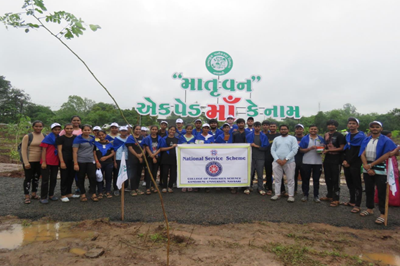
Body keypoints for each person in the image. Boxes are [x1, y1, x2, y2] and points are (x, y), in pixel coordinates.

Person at [359, 121, 397, 225]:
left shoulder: (386, 140)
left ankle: (382, 213)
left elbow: (388, 154)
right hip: (367, 167)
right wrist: (367, 167)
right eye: (372, 127)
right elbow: (362, 153)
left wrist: (371, 166)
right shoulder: (366, 139)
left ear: (381, 128)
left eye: (377, 127)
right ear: (369, 129)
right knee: (369, 189)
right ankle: (369, 208)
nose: (374, 128)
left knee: (381, 191)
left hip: (380, 168)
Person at [342, 118, 365, 213]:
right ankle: (352, 201)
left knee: (357, 184)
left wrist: (349, 162)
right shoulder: (347, 136)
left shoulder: (361, 137)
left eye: (353, 123)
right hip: (346, 162)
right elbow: (345, 149)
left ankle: (357, 204)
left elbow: (358, 152)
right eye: (350, 123)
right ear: (347, 125)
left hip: (355, 162)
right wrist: (343, 160)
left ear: (357, 125)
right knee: (349, 182)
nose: (351, 125)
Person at [270, 125, 299, 202]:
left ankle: (291, 195)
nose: (283, 130)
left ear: (288, 130)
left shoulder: (292, 138)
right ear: (280, 130)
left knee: (290, 179)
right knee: (277, 179)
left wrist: (286, 159)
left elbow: (294, 150)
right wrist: (277, 159)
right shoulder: (276, 139)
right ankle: (277, 194)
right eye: (282, 129)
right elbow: (272, 150)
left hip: (289, 162)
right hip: (277, 162)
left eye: (285, 129)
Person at [322, 120, 345, 207]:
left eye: (333, 125)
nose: (331, 126)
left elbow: (342, 148)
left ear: (336, 126)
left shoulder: (339, 135)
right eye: (329, 125)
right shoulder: (326, 134)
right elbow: (325, 145)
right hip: (327, 158)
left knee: (335, 178)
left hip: (336, 158)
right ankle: (329, 195)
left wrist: (329, 150)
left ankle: (336, 198)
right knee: (328, 177)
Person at [299, 125, 325, 203]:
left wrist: (320, 150)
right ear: (309, 130)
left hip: (317, 162)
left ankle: (316, 196)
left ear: (317, 130)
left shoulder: (320, 139)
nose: (313, 130)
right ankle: (305, 195)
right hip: (306, 161)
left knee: (316, 179)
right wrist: (310, 148)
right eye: (312, 129)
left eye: (315, 129)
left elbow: (323, 149)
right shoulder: (305, 138)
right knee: (305, 179)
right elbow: (301, 150)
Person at [21, 120, 45, 204]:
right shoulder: (28, 136)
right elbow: (23, 150)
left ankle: (34, 194)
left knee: (36, 178)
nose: (38, 128)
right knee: (28, 178)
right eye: (36, 126)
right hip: (29, 160)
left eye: (40, 126)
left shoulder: (44, 136)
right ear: (33, 127)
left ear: (42, 127)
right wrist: (26, 162)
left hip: (39, 161)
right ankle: (27, 196)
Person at [374, 131, 400, 206]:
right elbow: (390, 153)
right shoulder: (381, 143)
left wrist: (396, 149)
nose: (390, 138)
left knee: (393, 178)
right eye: (389, 136)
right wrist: (397, 148)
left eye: (391, 136)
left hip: (392, 162)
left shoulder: (391, 142)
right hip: (385, 162)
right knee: (384, 179)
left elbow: (397, 154)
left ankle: (392, 199)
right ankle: (384, 199)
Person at [73, 125, 97, 202]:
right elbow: (75, 152)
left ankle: (93, 193)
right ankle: (83, 194)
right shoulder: (78, 139)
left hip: (90, 160)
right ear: (82, 130)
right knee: (81, 177)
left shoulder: (92, 138)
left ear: (90, 130)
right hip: (81, 161)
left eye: (88, 130)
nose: (87, 131)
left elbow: (96, 148)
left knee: (92, 177)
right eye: (85, 130)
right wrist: (75, 163)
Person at [39, 123, 62, 204]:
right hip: (47, 161)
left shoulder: (59, 138)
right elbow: (44, 150)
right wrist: (44, 162)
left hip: (55, 161)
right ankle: (43, 196)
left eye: (59, 129)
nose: (57, 131)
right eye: (55, 129)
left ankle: (51, 195)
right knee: (45, 180)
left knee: (53, 179)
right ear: (52, 130)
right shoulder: (47, 138)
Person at [246, 121, 269, 195]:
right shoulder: (249, 135)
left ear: (260, 127)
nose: (257, 128)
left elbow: (265, 147)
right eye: (255, 126)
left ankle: (260, 188)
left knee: (260, 173)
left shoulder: (264, 136)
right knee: (250, 173)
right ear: (253, 127)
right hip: (251, 157)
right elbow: (245, 146)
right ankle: (248, 187)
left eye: (258, 126)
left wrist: (256, 146)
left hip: (260, 158)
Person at [57, 123, 77, 203]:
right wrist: (61, 161)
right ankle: (63, 194)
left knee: (71, 176)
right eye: (67, 128)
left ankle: (69, 193)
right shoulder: (61, 138)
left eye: (71, 128)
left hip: (73, 159)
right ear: (64, 129)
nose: (69, 130)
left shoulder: (75, 138)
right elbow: (59, 150)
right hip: (64, 159)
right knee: (64, 177)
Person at [93, 130, 115, 199]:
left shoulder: (110, 144)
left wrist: (106, 157)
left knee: (108, 177)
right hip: (99, 164)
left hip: (109, 163)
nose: (101, 136)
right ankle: (100, 191)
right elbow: (94, 153)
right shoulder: (95, 144)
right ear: (97, 136)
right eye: (99, 135)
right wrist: (97, 162)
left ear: (105, 135)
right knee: (99, 178)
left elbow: (113, 153)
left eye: (103, 135)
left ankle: (108, 191)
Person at [125, 125, 145, 196]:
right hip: (133, 158)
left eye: (139, 129)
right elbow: (130, 148)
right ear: (133, 130)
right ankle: (132, 189)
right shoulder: (130, 138)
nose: (138, 131)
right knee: (133, 174)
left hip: (141, 157)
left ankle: (137, 188)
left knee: (138, 173)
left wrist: (141, 155)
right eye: (136, 129)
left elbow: (145, 147)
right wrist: (137, 156)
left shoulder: (142, 137)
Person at [142, 125, 163, 194]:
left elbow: (160, 148)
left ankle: (153, 186)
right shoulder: (147, 138)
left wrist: (155, 155)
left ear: (157, 130)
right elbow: (147, 147)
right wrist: (152, 156)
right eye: (153, 129)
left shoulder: (160, 138)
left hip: (157, 157)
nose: (154, 131)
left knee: (155, 172)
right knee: (148, 172)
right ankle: (147, 187)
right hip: (149, 157)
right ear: (150, 130)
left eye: (155, 129)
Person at [160, 126, 179, 193]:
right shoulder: (164, 139)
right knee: (164, 173)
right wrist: (171, 147)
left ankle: (170, 186)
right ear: (168, 130)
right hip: (166, 158)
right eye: (171, 129)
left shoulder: (177, 139)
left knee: (173, 173)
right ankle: (164, 186)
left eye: (174, 130)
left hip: (174, 158)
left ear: (175, 131)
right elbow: (161, 148)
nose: (172, 131)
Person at [264, 122, 281, 196]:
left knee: (279, 173)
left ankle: (282, 189)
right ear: (269, 127)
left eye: (274, 126)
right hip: (268, 156)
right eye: (271, 126)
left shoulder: (279, 136)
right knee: (268, 173)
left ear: (276, 127)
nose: (272, 128)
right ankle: (269, 188)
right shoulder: (265, 135)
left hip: (278, 156)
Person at [293, 124, 305, 194]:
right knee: (294, 176)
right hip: (294, 159)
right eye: (297, 129)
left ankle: (304, 191)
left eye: (300, 129)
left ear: (303, 130)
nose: (298, 130)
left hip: (304, 159)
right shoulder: (292, 138)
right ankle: (294, 190)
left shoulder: (306, 138)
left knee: (304, 176)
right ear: (295, 130)